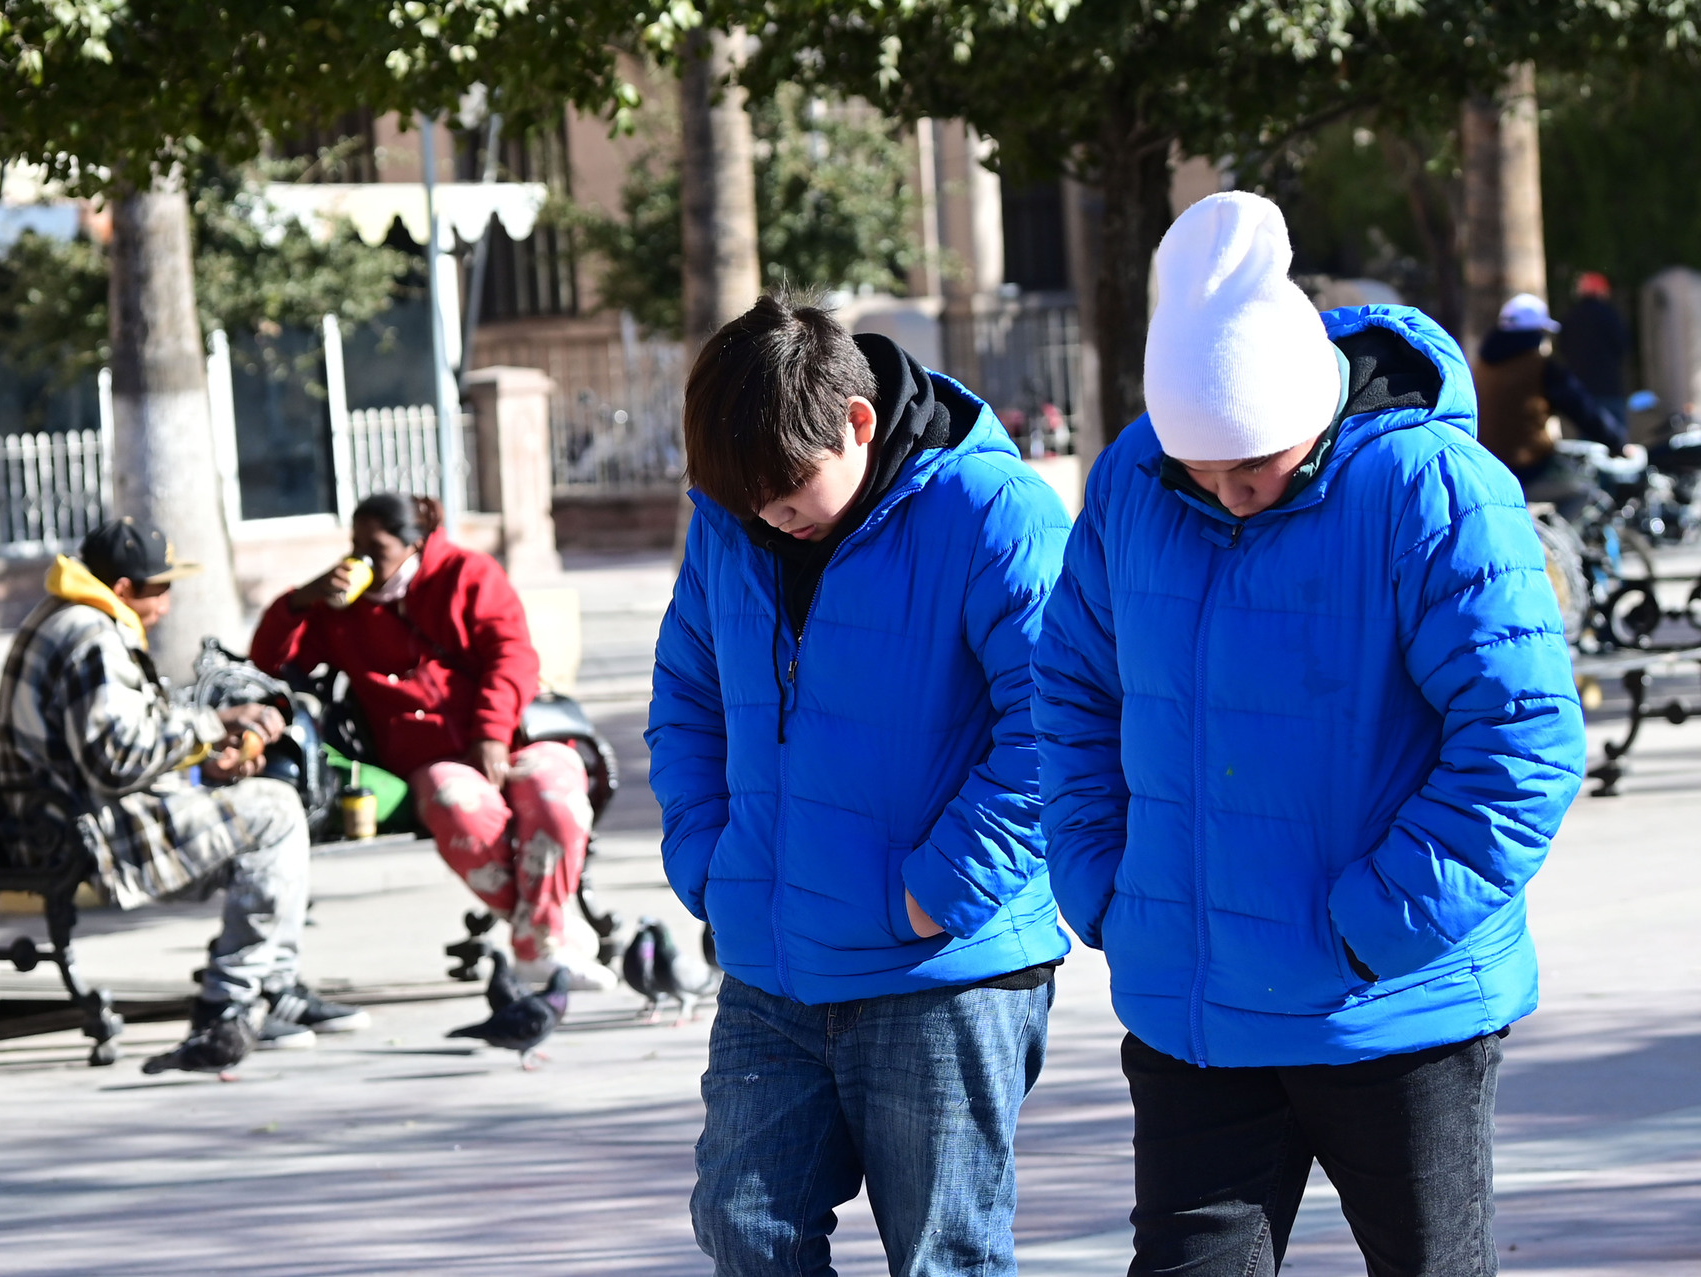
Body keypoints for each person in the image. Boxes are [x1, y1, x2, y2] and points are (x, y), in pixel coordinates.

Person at [1033, 192, 1586, 1276]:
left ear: (1316, 409)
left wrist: (1371, 926)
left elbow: (1522, 739)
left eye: (1257, 469)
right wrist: (1104, 881)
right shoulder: (1134, 485)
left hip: (1393, 1011)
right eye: (1205, 474)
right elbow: (1071, 691)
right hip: (1194, 1009)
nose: (1232, 497)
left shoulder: (1432, 488)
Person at [647, 294, 1071, 1275]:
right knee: (744, 1224)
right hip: (772, 962)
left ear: (859, 422)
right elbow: (686, 692)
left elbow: (1059, 725)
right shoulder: (731, 517)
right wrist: (711, 864)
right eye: (746, 497)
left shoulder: (992, 510)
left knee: (942, 1256)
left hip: (943, 968)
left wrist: (937, 891)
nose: (769, 515)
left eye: (786, 488)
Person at [0, 517, 367, 1076]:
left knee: (262, 803)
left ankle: (269, 985)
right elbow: (115, 758)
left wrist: (199, 760)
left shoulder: (75, 618)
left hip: (66, 811)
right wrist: (214, 725)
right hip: (89, 828)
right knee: (277, 814)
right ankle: (232, 1001)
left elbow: (118, 740)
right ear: (122, 588)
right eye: (159, 588)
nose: (167, 602)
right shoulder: (91, 635)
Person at [249, 493, 616, 990]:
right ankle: (546, 938)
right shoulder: (342, 610)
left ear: (413, 544)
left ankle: (540, 945)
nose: (359, 558)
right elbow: (268, 661)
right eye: (353, 545)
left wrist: (489, 734)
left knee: (557, 801)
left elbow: (511, 656)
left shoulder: (468, 574)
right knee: (457, 806)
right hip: (432, 757)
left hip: (513, 735)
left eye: (373, 547)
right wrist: (300, 598)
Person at [1474, 291, 1636, 505]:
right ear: (1537, 333)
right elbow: (1582, 409)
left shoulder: (1480, 367)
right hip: (1527, 469)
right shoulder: (1540, 367)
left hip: (1485, 469)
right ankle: (1558, 539)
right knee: (1583, 489)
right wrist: (1617, 442)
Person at [1558, 271, 1632, 428]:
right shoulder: (1609, 315)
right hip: (1609, 388)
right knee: (1616, 441)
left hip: (1580, 390)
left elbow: (1563, 349)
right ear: (1602, 291)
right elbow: (1622, 346)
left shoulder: (1570, 317)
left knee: (1587, 444)